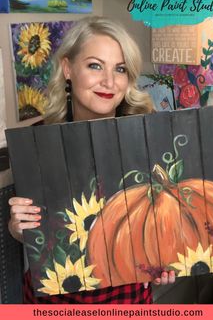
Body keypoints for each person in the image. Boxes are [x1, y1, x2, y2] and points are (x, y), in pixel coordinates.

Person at [8, 16, 175, 304]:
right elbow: (40, 233)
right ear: (68, 68)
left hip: (127, 300)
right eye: (95, 65)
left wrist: (167, 254)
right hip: (52, 303)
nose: (109, 81)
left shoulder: (149, 137)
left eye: (120, 69)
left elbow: (163, 223)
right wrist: (18, 229)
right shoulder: (36, 143)